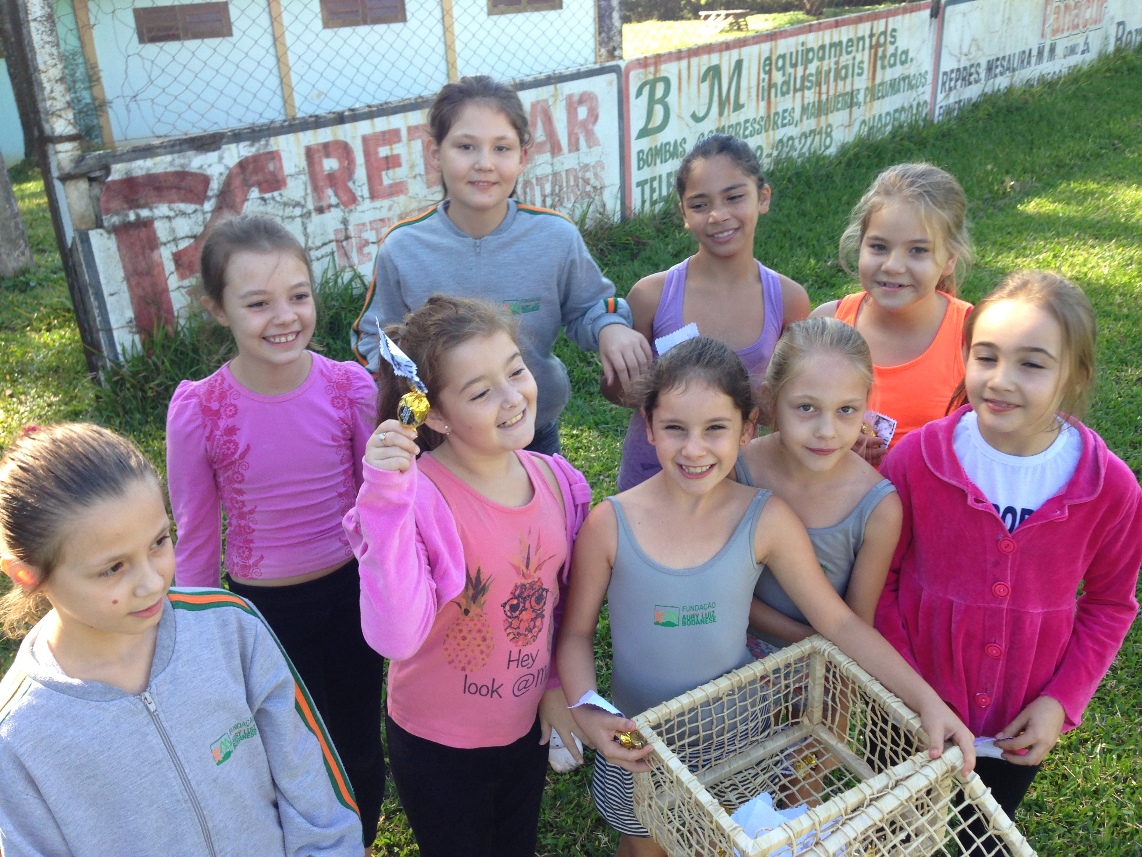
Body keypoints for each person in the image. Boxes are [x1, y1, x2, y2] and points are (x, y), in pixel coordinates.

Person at [557, 337, 975, 857]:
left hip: (739, 741)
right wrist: (587, 711)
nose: (694, 448)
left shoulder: (766, 517)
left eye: (716, 429)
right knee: (644, 846)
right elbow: (574, 634)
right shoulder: (610, 524)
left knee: (725, 844)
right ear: (648, 426)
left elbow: (842, 625)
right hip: (639, 741)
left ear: (748, 428)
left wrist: (928, 702)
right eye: (674, 428)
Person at [0, 423, 363, 857]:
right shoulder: (18, 734)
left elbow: (310, 785)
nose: (152, 583)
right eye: (113, 568)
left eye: (158, 542)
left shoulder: (230, 627)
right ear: (27, 574)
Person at [875, 271, 1142, 833]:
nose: (1000, 380)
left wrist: (1059, 704)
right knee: (899, 831)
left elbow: (1111, 605)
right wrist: (912, 694)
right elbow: (880, 583)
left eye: (1032, 363)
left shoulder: (1110, 488)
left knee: (981, 833)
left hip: (1015, 727)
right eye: (985, 356)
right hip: (906, 712)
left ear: (1074, 377)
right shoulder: (915, 460)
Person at [344, 295, 591, 857]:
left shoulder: (558, 482)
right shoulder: (417, 500)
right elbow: (396, 636)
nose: (511, 398)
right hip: (439, 745)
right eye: (480, 392)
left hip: (523, 725)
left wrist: (553, 687)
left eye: (516, 371)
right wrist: (385, 501)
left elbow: (554, 604)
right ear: (432, 414)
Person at [166, 214, 385, 847]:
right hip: (260, 611)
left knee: (354, 743)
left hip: (351, 598)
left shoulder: (348, 388)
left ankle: (358, 839)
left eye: (298, 296)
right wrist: (197, 627)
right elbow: (197, 532)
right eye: (258, 303)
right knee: (278, 744)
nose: (284, 316)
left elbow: (380, 504)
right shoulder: (200, 410)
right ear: (217, 308)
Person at [350, 75, 650, 456]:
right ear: (434, 153)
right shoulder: (404, 247)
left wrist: (609, 328)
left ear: (523, 157)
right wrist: (406, 395)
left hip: (529, 430)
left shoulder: (554, 236)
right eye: (465, 146)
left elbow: (589, 305)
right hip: (440, 439)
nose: (484, 164)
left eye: (501, 148)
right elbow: (376, 338)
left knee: (545, 515)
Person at [613, 133, 809, 489]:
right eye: (700, 204)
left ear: (762, 198)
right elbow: (617, 392)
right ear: (684, 214)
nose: (719, 215)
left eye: (734, 197)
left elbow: (792, 400)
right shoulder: (650, 296)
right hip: (655, 476)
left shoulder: (788, 299)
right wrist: (620, 364)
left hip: (742, 480)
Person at [739, 317, 901, 657]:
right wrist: (812, 638)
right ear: (770, 400)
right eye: (806, 407)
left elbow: (858, 626)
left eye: (846, 410)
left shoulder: (877, 508)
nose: (827, 431)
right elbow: (717, 588)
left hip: (820, 670)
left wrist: (835, 706)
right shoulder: (736, 469)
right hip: (727, 656)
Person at [813, 163, 974, 464]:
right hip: (834, 504)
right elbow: (788, 422)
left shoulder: (971, 335)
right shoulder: (827, 324)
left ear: (949, 258)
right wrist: (835, 439)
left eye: (917, 251)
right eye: (878, 246)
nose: (893, 266)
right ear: (860, 245)